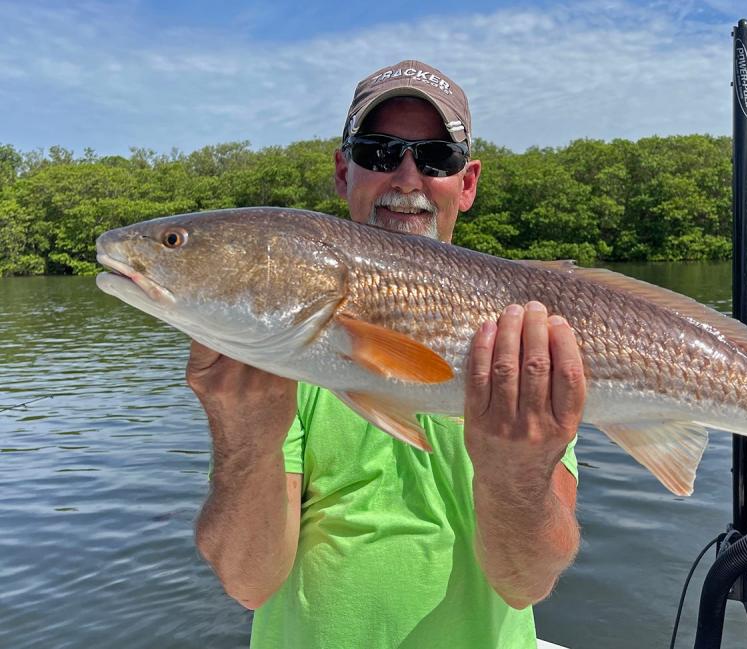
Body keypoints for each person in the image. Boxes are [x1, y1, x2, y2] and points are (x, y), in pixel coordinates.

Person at [188, 60, 585, 649]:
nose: (406, 177)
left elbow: (524, 583)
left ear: (467, 182)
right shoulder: (274, 353)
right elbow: (249, 583)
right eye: (378, 152)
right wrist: (245, 434)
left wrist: (518, 474)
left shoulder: (526, 340)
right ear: (343, 171)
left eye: (436, 158)